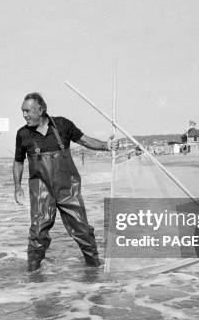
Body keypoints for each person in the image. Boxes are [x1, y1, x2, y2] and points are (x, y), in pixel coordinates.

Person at [13, 93, 119, 271]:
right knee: (38, 234)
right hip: (41, 192)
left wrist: (105, 146)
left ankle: (94, 269)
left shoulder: (62, 125)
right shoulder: (22, 134)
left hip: (68, 189)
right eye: (22, 111)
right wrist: (17, 186)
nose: (24, 115)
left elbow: (84, 140)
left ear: (41, 109)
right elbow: (18, 162)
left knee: (83, 230)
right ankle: (32, 275)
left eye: (27, 111)